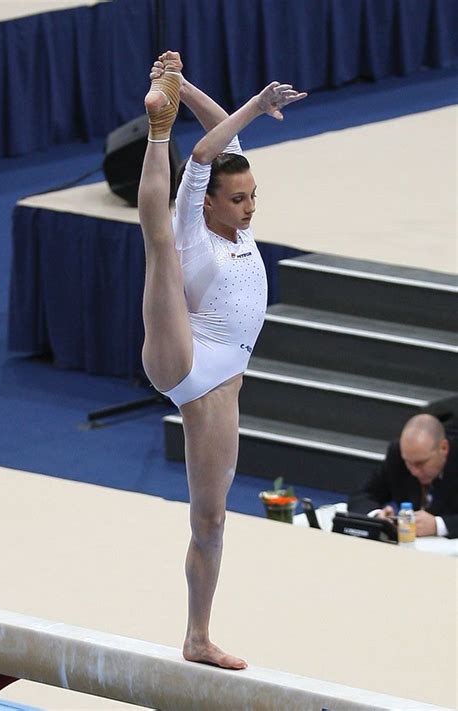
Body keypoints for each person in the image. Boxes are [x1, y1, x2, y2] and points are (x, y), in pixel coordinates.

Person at [138, 50, 306, 669]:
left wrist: (185, 87)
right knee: (160, 247)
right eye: (238, 199)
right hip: (181, 349)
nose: (250, 207)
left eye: (253, 197)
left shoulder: (239, 224)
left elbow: (222, 142)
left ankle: (197, 636)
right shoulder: (196, 216)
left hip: (220, 385)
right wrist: (245, 108)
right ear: (211, 201)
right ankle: (157, 133)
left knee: (210, 521)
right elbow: (208, 154)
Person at [348, 414, 458, 538]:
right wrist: (377, 517)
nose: (414, 472)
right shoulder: (398, 454)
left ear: (444, 448)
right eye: (408, 463)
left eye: (420, 463)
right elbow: (363, 494)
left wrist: (439, 525)